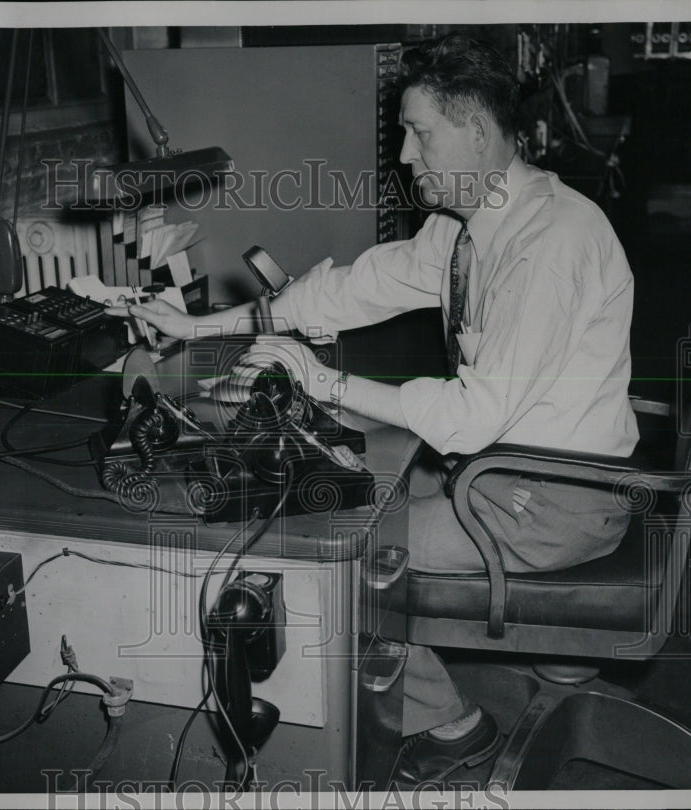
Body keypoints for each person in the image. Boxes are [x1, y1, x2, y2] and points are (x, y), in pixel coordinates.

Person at [112, 33, 639, 784]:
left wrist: (321, 383)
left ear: (479, 133)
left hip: (550, 500)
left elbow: (469, 416)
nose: (404, 155)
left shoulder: (549, 244)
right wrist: (198, 326)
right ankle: (561, 668)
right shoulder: (471, 226)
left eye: (421, 133)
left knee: (339, 549)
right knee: (358, 477)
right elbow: (345, 290)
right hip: (508, 474)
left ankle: (452, 725)